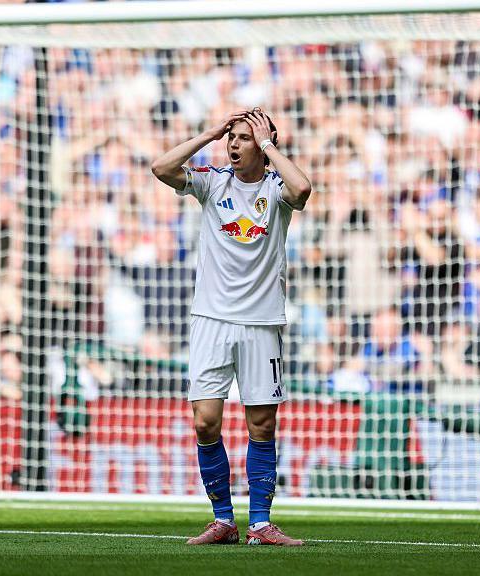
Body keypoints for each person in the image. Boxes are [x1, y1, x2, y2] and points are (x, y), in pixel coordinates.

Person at [151, 108, 311, 546]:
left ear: (263, 145)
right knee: (205, 422)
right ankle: (223, 520)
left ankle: (260, 524)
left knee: (261, 425)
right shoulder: (212, 181)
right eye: (233, 138)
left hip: (261, 322)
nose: (234, 145)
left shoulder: (277, 189)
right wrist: (208, 133)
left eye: (244, 138)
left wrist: (270, 146)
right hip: (211, 320)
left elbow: (303, 188)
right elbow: (161, 168)